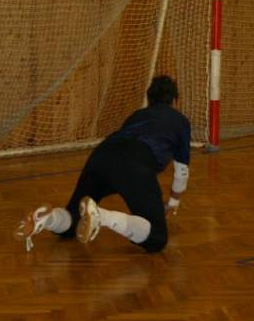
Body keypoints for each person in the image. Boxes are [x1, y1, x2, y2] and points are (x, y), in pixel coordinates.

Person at [14, 75, 191, 253]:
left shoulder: (138, 115)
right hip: (135, 160)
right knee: (157, 238)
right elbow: (182, 171)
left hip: (102, 153)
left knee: (73, 218)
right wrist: (174, 202)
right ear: (175, 100)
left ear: (149, 98)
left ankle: (48, 218)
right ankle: (101, 217)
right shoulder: (181, 121)